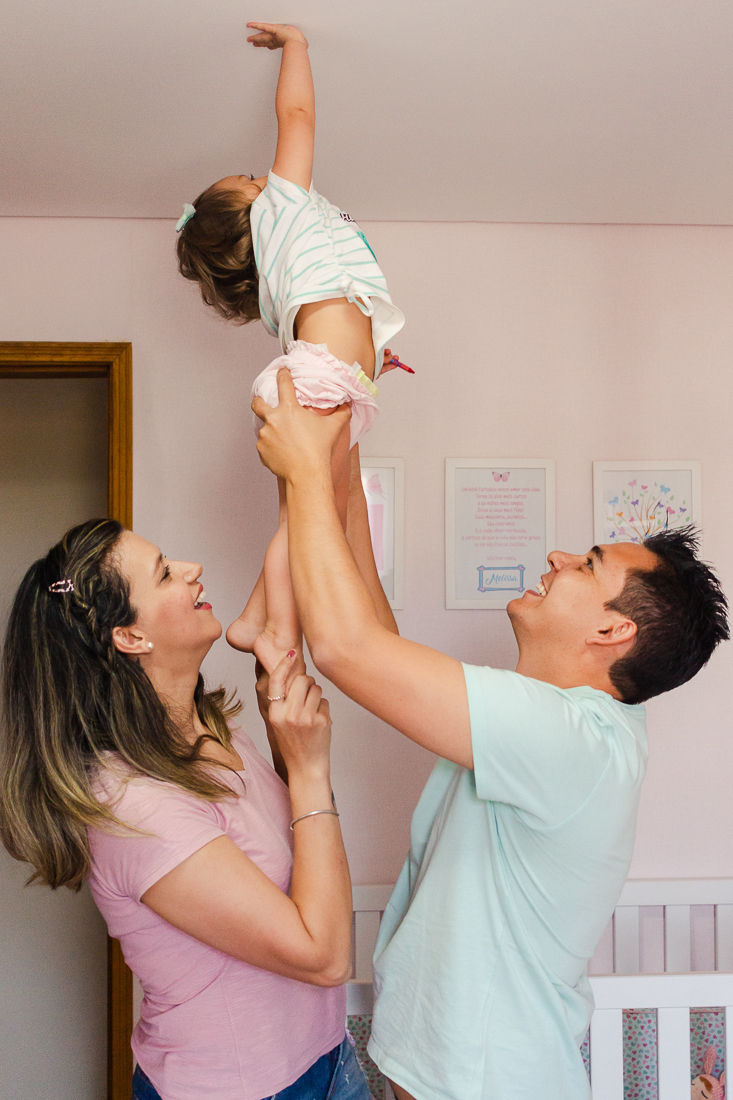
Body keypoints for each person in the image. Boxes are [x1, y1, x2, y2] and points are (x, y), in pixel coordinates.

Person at [251, 371, 730, 1100]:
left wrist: (305, 471)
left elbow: (347, 650)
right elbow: (375, 637)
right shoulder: (551, 722)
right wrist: (338, 447)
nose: (556, 559)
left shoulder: (573, 739)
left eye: (586, 565)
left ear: (611, 630)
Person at [0, 517, 374, 1100]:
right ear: (130, 637)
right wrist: (308, 768)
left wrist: (322, 448)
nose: (192, 569)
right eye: (166, 573)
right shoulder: (135, 807)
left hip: (327, 1060)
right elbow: (323, 957)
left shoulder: (212, 732)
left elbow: (300, 528)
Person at [175, 22, 406, 674]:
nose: (265, 174)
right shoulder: (285, 207)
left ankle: (263, 620)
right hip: (319, 376)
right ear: (253, 207)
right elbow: (297, 114)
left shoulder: (285, 258)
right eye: (251, 177)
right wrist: (296, 45)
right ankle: (268, 624)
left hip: (319, 376)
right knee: (317, 510)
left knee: (313, 510)